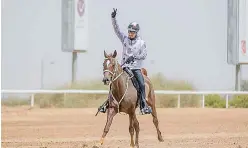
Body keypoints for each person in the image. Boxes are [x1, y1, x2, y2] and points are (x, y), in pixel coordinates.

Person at [98, 8, 152, 115]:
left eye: (132, 32)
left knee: (141, 84)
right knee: (113, 81)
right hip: (124, 67)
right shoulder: (124, 39)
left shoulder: (141, 43)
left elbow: (144, 55)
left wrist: (135, 57)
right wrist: (113, 18)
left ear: (136, 32)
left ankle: (143, 105)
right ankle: (107, 103)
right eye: (129, 31)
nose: (130, 33)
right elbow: (117, 30)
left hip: (135, 68)